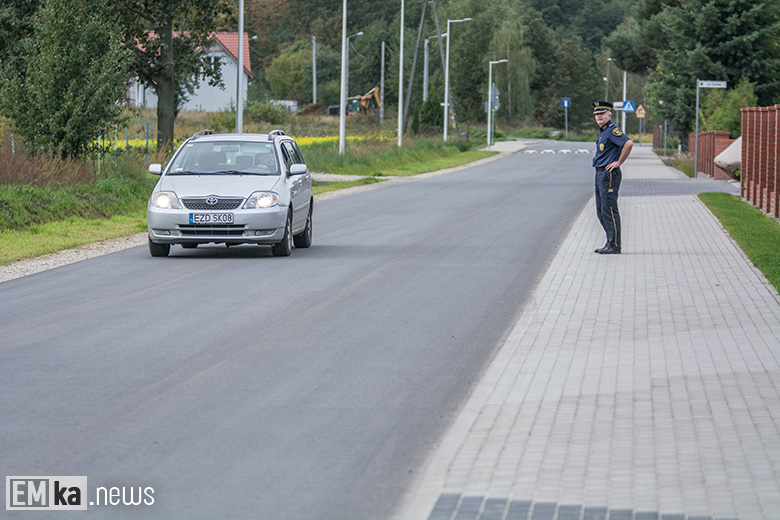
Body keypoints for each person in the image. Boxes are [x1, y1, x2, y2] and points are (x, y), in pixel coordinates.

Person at [592, 101, 633, 254]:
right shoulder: (603, 131)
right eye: (596, 114)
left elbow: (628, 143)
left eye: (602, 114)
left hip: (609, 174)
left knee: (609, 209)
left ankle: (615, 245)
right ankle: (610, 241)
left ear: (609, 114)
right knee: (601, 210)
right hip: (600, 173)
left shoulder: (612, 130)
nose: (599, 117)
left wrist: (619, 162)